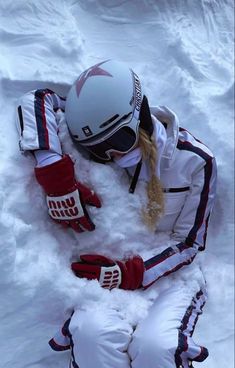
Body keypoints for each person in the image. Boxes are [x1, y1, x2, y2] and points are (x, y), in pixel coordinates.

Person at [16, 60, 217, 368]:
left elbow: (190, 242)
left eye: (119, 140)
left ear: (141, 111)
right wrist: (53, 172)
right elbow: (36, 99)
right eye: (98, 150)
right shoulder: (96, 125)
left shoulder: (194, 161)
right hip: (105, 273)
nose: (113, 156)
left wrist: (132, 272)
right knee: (91, 334)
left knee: (156, 347)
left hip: (171, 275)